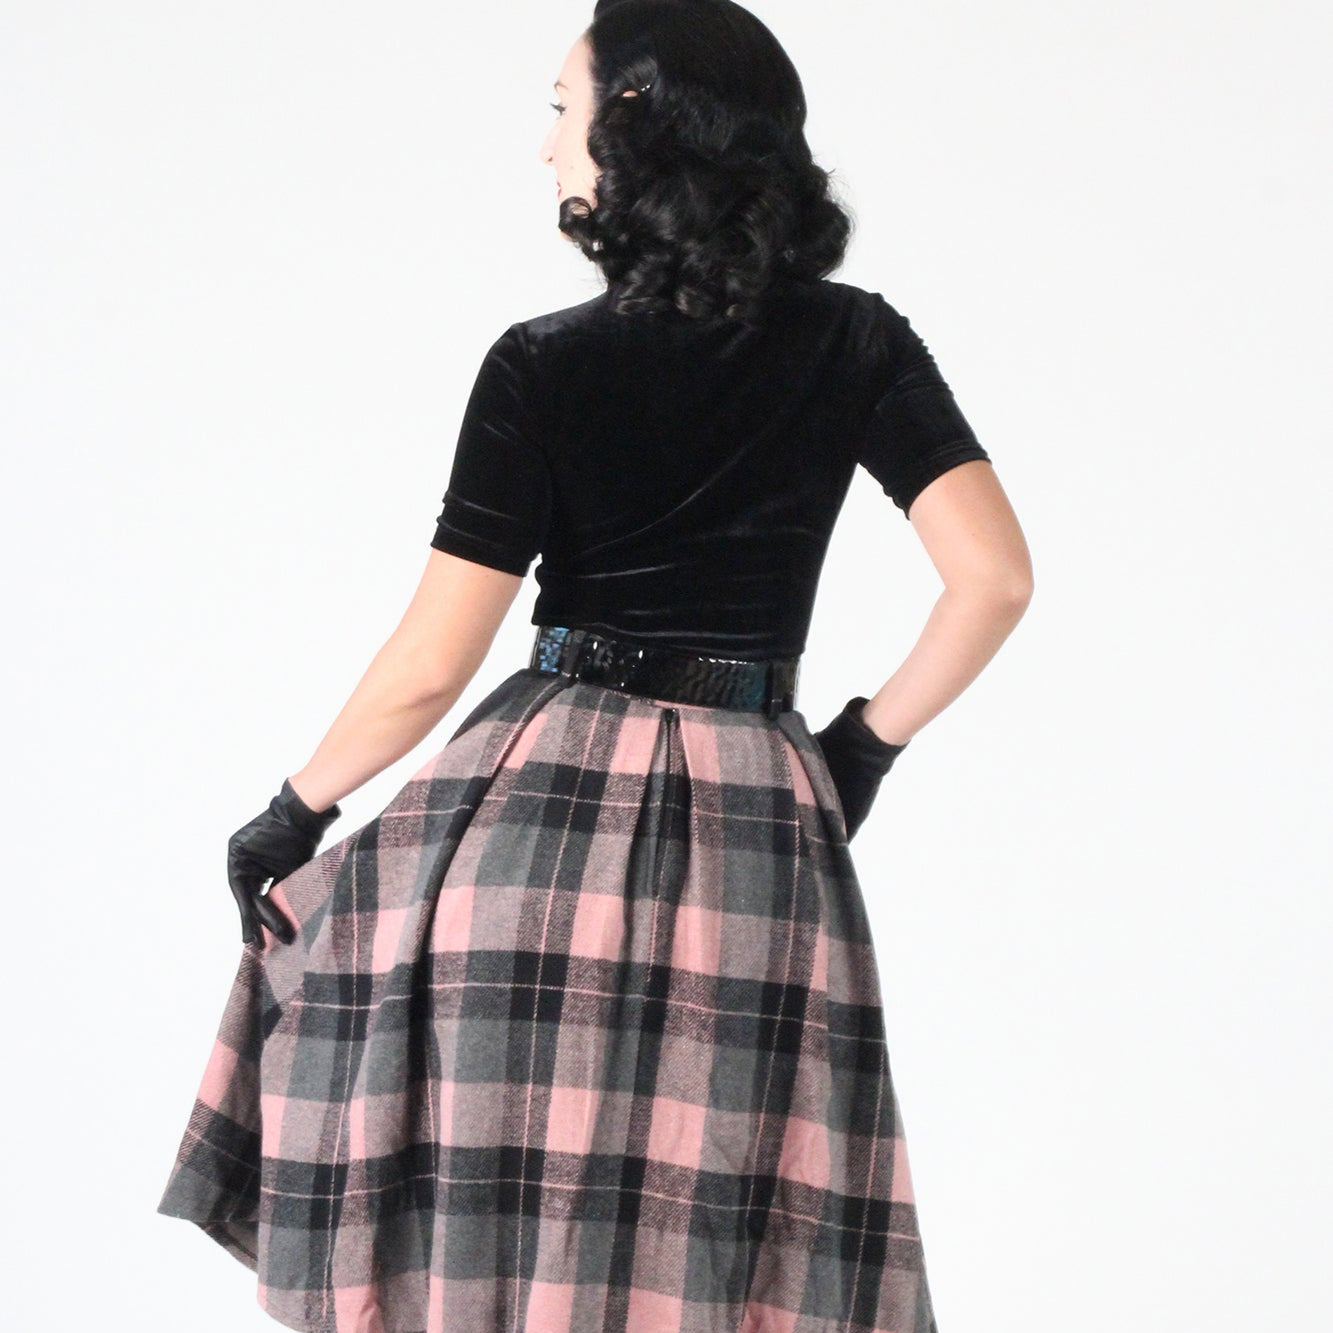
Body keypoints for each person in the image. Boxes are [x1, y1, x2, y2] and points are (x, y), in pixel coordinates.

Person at [156, 2, 1033, 1330]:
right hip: (755, 836)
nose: (546, 146)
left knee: (506, 1251)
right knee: (707, 1235)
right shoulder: (858, 342)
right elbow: (995, 580)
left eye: (561, 111)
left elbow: (431, 661)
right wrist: (858, 749)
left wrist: (294, 810)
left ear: (633, 121)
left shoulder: (542, 362)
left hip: (530, 832)